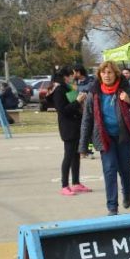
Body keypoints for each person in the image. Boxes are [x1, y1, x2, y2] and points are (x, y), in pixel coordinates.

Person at [78, 61, 130, 215]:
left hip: (123, 136)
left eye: (110, 72)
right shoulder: (94, 92)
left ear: (116, 74)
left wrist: (129, 100)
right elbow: (87, 120)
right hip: (105, 137)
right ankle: (112, 206)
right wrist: (83, 146)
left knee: (125, 169)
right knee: (109, 169)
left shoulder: (126, 88)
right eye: (103, 73)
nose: (107, 75)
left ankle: (126, 193)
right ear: (99, 75)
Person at [50, 67, 90, 196]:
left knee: (75, 155)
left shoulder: (69, 88)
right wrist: (78, 101)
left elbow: (73, 105)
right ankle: (64, 185)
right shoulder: (59, 90)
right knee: (68, 155)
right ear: (65, 77)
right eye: (71, 75)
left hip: (76, 124)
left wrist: (81, 102)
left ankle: (76, 182)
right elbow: (63, 110)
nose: (74, 77)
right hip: (68, 127)